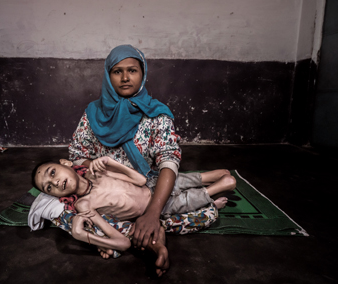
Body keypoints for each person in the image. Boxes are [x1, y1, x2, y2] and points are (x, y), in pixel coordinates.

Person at [69, 44, 214, 248]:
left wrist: (153, 212)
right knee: (68, 207)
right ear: (108, 76)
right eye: (117, 71)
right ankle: (147, 233)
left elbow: (168, 159)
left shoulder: (156, 113)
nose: (125, 78)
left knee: (207, 214)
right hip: (105, 191)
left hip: (147, 189)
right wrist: (95, 166)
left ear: (143, 73)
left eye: (132, 70)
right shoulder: (93, 112)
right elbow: (76, 153)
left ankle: (141, 226)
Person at [31, 156, 236, 276]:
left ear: (66, 163)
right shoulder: (83, 205)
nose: (55, 183)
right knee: (182, 203)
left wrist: (111, 163)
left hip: (151, 187)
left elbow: (139, 180)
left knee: (176, 181)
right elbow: (121, 242)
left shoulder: (96, 172)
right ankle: (214, 190)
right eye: (49, 187)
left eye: (52, 173)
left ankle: (209, 178)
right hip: (150, 210)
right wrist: (80, 234)